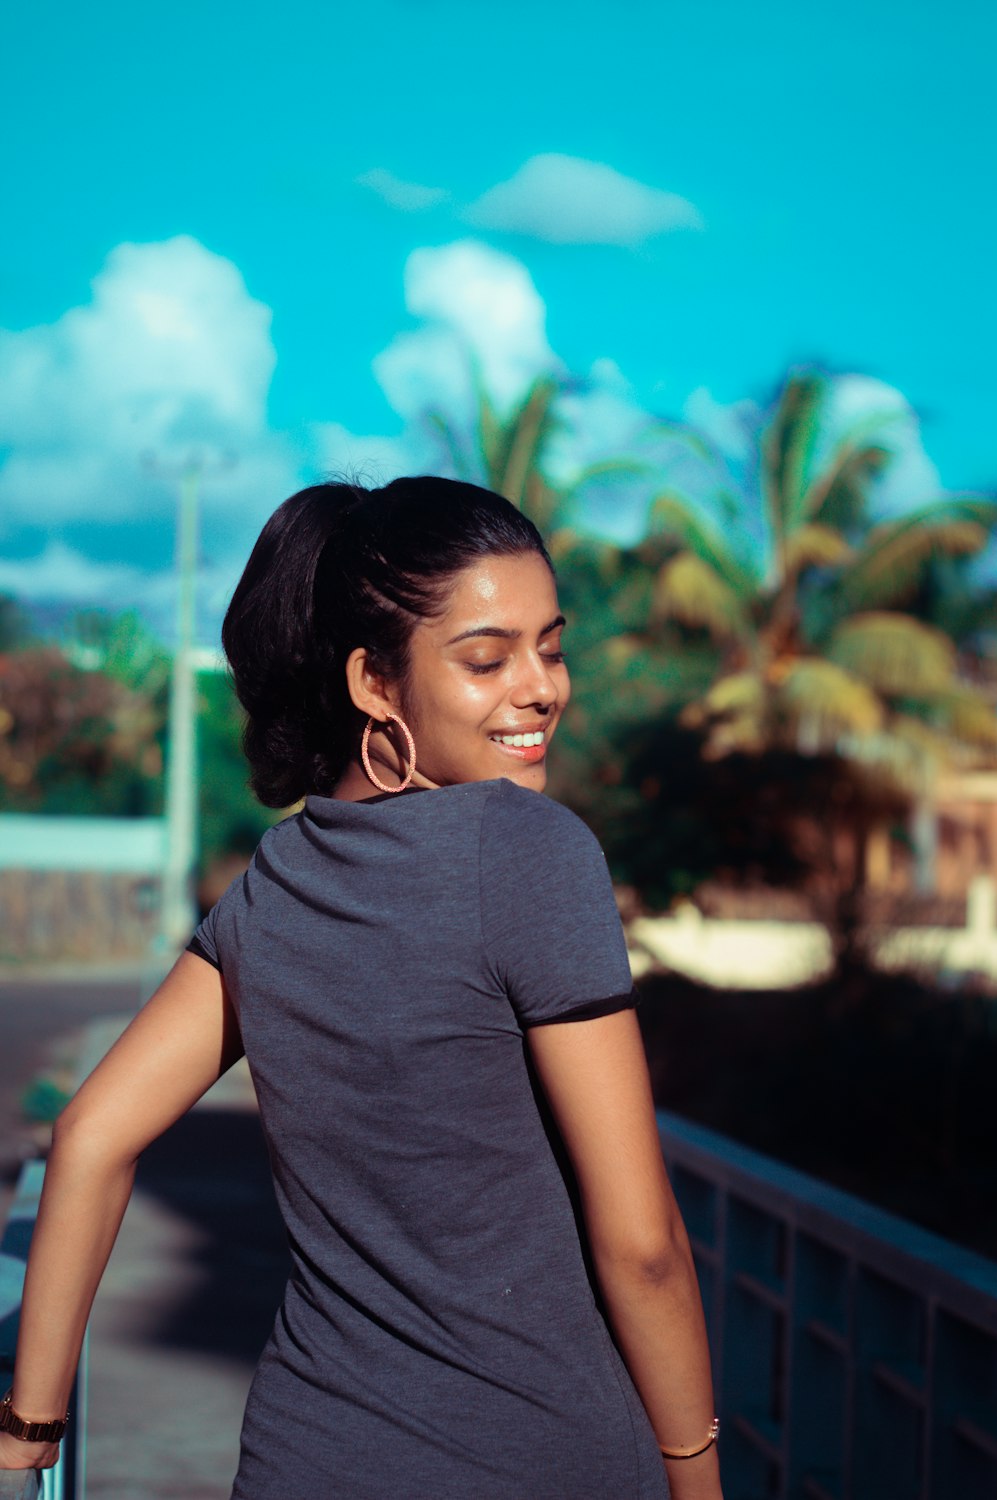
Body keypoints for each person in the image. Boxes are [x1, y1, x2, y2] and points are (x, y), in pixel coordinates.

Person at [0, 477, 723, 1499]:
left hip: (305, 1460)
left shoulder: (271, 888)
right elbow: (642, 1243)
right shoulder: (534, 854)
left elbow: (88, 1139)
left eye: (550, 646)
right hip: (537, 1461)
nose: (542, 688)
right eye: (486, 657)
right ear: (374, 687)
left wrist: (30, 1434)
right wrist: (695, 1472)